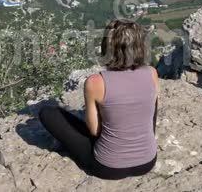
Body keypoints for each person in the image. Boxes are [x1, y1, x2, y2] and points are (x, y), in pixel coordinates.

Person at [39, 19, 159, 180]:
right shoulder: (152, 73)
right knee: (151, 99)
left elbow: (95, 131)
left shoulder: (96, 82)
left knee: (47, 113)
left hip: (108, 167)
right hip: (147, 162)